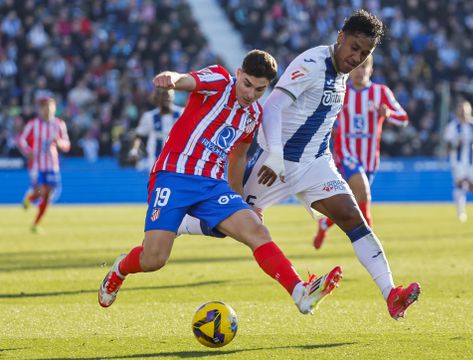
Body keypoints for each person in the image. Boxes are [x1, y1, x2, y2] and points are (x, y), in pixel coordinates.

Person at [178, 10, 420, 320]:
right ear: (340, 37)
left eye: (365, 53)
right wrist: (276, 154)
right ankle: (177, 224)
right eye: (354, 48)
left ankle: (391, 294)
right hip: (273, 166)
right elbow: (273, 106)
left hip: (315, 163)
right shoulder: (311, 64)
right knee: (227, 225)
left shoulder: (343, 72)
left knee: (352, 216)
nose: (357, 57)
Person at [98, 50, 343, 315]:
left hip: (212, 186)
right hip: (173, 176)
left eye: (259, 89)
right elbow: (188, 80)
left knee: (257, 230)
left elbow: (238, 158)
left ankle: (300, 292)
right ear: (238, 73)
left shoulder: (253, 116)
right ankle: (121, 268)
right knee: (154, 259)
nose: (250, 94)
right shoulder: (218, 79)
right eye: (247, 83)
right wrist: (172, 79)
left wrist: (240, 200)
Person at [313, 54, 409, 249]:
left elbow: (403, 118)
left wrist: (388, 114)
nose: (360, 71)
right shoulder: (341, 91)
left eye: (364, 67)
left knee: (354, 202)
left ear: (370, 70)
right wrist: (329, 128)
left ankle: (325, 222)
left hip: (370, 159)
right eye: (356, 67)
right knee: (362, 192)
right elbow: (322, 115)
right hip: (345, 153)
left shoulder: (381, 92)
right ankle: (370, 244)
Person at [16, 91, 71, 233]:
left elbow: (67, 145)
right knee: (43, 190)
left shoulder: (59, 124)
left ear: (54, 107)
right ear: (40, 109)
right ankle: (32, 199)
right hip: (37, 165)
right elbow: (20, 139)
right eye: (43, 106)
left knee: (46, 195)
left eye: (49, 106)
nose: (47, 109)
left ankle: (34, 219)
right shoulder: (34, 124)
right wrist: (28, 151)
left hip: (52, 165)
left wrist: (59, 143)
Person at [443, 99, 473, 222]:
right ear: (457, 111)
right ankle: (461, 212)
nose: (463, 112)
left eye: (465, 109)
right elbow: (447, 144)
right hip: (458, 161)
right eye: (461, 109)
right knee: (459, 184)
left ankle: (464, 194)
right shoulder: (453, 126)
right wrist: (453, 145)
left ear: (470, 110)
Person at [128, 88, 184, 171]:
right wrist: (134, 151)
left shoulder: (182, 113)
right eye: (163, 95)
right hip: (156, 164)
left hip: (178, 163)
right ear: (157, 98)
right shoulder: (149, 116)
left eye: (168, 95)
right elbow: (138, 135)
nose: (167, 98)